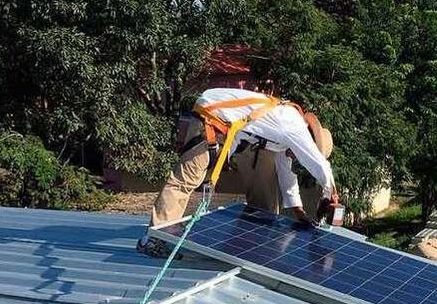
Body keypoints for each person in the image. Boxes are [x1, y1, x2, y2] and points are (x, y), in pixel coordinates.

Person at [137, 87, 340, 257]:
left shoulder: (284, 131)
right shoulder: (294, 126)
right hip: (211, 120)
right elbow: (320, 165)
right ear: (309, 139)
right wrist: (331, 194)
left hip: (220, 125)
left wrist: (298, 211)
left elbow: (286, 174)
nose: (295, 158)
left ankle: (163, 235)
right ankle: (153, 240)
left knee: (197, 178)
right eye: (299, 154)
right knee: (184, 181)